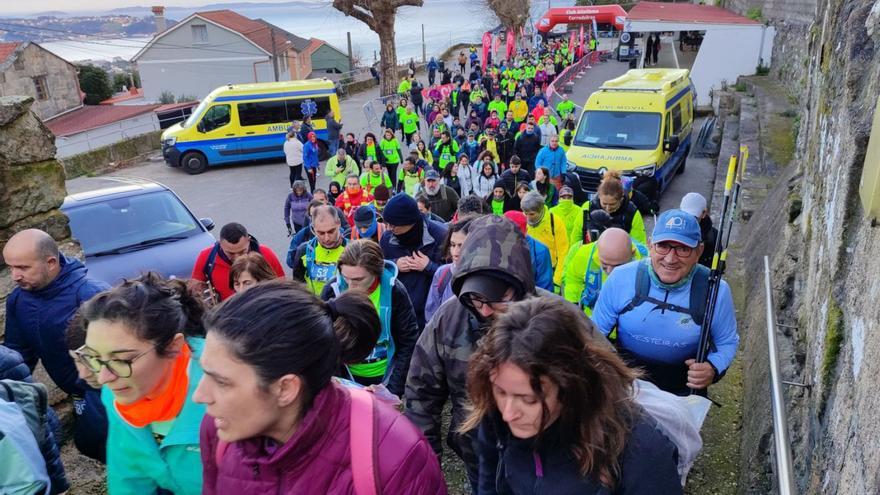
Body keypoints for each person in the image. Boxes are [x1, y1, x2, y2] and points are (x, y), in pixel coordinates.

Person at [195, 281, 447, 494]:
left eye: (222, 382)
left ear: (285, 389)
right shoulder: (219, 432)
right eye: (204, 373)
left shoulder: (395, 459)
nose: (199, 396)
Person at [463, 297, 683, 494]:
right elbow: (489, 485)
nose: (508, 413)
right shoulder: (496, 415)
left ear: (571, 386)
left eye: (529, 399)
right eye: (500, 391)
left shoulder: (641, 450)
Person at [405, 215, 558, 491]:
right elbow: (420, 395)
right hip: (476, 456)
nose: (484, 310)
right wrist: (427, 465)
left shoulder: (557, 318)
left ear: (520, 285)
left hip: (546, 459)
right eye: (476, 298)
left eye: (496, 298)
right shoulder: (448, 318)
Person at [78, 272, 207, 494]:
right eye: (95, 358)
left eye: (123, 360)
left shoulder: (229, 384)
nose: (103, 378)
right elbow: (128, 474)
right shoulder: (117, 393)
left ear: (174, 347)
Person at [592, 209, 740, 396]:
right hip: (626, 380)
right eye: (663, 246)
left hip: (681, 386)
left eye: (683, 249)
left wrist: (712, 367)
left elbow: (727, 342)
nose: (670, 259)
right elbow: (595, 334)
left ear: (699, 251)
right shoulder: (621, 278)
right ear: (650, 245)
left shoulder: (716, 290)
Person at [3, 229, 107, 463]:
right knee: (95, 449)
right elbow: (17, 357)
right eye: (11, 267)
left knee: (102, 446)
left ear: (51, 262)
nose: (15, 276)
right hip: (78, 394)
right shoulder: (18, 300)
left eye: (23, 267)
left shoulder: (91, 295)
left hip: (107, 391)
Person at [320, 239, 418, 397]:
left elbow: (408, 341)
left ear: (376, 272)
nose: (351, 286)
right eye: (346, 278)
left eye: (358, 280)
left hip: (385, 378)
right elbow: (324, 343)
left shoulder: (395, 291)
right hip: (346, 379)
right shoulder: (332, 291)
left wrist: (393, 389)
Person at [379, 194, 448, 329]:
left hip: (432, 316)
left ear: (409, 222)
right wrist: (395, 264)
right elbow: (378, 267)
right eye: (386, 224)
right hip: (399, 314)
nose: (388, 229)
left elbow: (453, 275)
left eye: (393, 225)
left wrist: (429, 267)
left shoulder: (440, 236)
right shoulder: (387, 239)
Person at [562, 227, 648, 317]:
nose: (610, 272)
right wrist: (573, 306)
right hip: (594, 320)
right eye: (604, 265)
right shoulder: (584, 254)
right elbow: (573, 279)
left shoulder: (645, 263)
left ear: (632, 253)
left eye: (617, 266)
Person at [192, 223, 285, 303]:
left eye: (242, 251)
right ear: (220, 244)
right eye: (230, 253)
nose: (237, 258)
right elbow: (195, 290)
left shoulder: (266, 254)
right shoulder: (206, 257)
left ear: (248, 240)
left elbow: (283, 287)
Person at [424, 216, 475, 323]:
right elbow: (431, 317)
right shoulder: (442, 273)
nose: (455, 252)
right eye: (452, 245)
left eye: (461, 246)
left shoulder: (484, 276)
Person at [576, 171, 647, 246]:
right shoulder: (587, 208)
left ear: (621, 199)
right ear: (599, 196)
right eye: (604, 204)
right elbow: (577, 236)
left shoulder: (632, 212)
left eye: (612, 204)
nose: (607, 208)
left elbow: (639, 244)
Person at [292, 205, 348, 296]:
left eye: (331, 231)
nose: (327, 238)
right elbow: (298, 288)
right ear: (313, 228)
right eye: (321, 233)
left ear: (339, 223)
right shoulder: (304, 251)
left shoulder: (352, 250)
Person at [520, 191, 569, 290]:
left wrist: (556, 281)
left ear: (541, 209)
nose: (528, 217)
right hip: (528, 271)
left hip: (549, 272)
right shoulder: (522, 220)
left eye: (532, 214)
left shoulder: (555, 222)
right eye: (526, 213)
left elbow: (563, 252)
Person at [503, 211, 554, 292]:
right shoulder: (495, 244)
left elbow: (545, 287)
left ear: (526, 231)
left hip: (528, 301)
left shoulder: (540, 251)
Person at [680, 192, 718, 268]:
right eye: (685, 215)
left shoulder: (713, 236)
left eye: (693, 217)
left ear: (704, 213)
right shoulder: (671, 230)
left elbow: (719, 267)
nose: (689, 220)